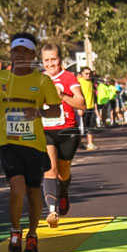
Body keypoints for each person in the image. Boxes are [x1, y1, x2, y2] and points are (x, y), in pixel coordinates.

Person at [0, 33, 61, 252]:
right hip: (8, 143)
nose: (20, 55)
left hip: (34, 145)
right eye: (16, 51)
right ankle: (15, 231)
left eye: (25, 51)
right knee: (17, 188)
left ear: (33, 55)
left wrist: (38, 112)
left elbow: (56, 109)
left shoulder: (42, 80)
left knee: (33, 194)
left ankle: (32, 234)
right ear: (11, 54)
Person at [40, 44, 85, 228]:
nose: (50, 64)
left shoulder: (68, 77)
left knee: (63, 172)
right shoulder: (39, 79)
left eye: (54, 59)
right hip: (46, 130)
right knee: (50, 170)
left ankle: (64, 192)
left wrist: (63, 96)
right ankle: (52, 211)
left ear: (60, 59)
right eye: (46, 60)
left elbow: (82, 104)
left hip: (68, 131)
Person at [77, 68, 97, 151]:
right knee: (81, 127)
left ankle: (90, 143)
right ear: (81, 74)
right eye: (86, 73)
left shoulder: (90, 82)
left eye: (89, 73)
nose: (88, 75)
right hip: (83, 108)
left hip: (91, 107)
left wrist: (95, 107)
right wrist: (79, 107)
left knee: (90, 126)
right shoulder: (79, 81)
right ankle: (79, 143)